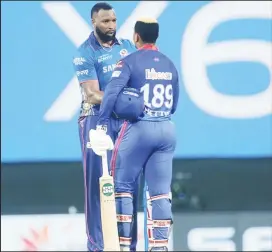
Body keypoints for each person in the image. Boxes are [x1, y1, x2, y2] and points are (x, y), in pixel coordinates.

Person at [89, 18, 180, 251]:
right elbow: (175, 105)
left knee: (122, 187)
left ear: (136, 37)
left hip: (140, 129)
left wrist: (101, 124)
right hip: (167, 130)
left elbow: (110, 93)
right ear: (156, 37)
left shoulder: (129, 60)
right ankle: (159, 247)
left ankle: (122, 245)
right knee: (160, 193)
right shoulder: (170, 64)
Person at [72, 2, 139, 251]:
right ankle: (96, 246)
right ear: (94, 22)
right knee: (97, 186)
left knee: (127, 183)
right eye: (105, 22)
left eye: (113, 20)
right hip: (96, 121)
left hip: (123, 121)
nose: (111, 26)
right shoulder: (85, 52)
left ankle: (127, 245)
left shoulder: (128, 48)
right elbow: (91, 95)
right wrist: (125, 98)